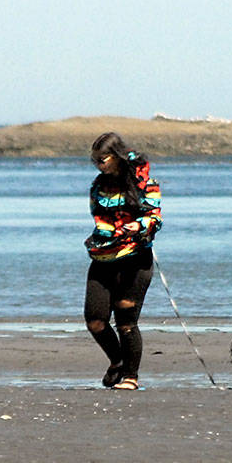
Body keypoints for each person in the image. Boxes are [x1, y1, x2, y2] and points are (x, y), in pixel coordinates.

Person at [84, 132, 162, 390]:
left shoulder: (145, 183)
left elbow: (155, 217)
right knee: (95, 320)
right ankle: (117, 361)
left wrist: (138, 227)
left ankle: (131, 377)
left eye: (103, 159)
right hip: (103, 256)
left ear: (117, 157)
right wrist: (103, 235)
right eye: (95, 161)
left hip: (136, 259)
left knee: (126, 318)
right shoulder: (97, 185)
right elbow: (99, 218)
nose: (99, 165)